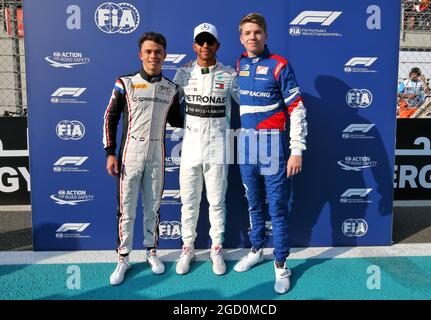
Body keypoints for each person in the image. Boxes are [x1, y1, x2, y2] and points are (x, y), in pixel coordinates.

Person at [234, 13, 307, 294]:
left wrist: (297, 150)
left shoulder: (279, 65)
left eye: (257, 32)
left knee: (276, 207)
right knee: (253, 203)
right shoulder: (239, 64)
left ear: (265, 35)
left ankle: (281, 264)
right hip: (245, 146)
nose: (252, 37)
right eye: (247, 33)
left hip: (272, 146)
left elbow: (297, 109)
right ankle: (256, 249)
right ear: (241, 38)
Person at [103, 32, 184, 285]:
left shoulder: (171, 88)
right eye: (148, 52)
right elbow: (110, 117)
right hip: (130, 153)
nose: (153, 56)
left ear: (164, 56)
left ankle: (151, 252)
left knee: (153, 208)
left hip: (157, 154)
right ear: (141, 55)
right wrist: (109, 153)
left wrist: (201, 115)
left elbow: (176, 120)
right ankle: (123, 257)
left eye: (158, 52)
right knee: (127, 209)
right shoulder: (125, 82)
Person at [173, 23, 238, 276]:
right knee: (188, 203)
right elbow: (165, 103)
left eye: (210, 41)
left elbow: (252, 101)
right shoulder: (182, 74)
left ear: (217, 45)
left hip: (218, 149)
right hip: (188, 148)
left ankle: (216, 249)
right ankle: (187, 247)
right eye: (200, 41)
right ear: (194, 46)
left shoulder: (230, 76)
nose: (205, 46)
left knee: (217, 202)